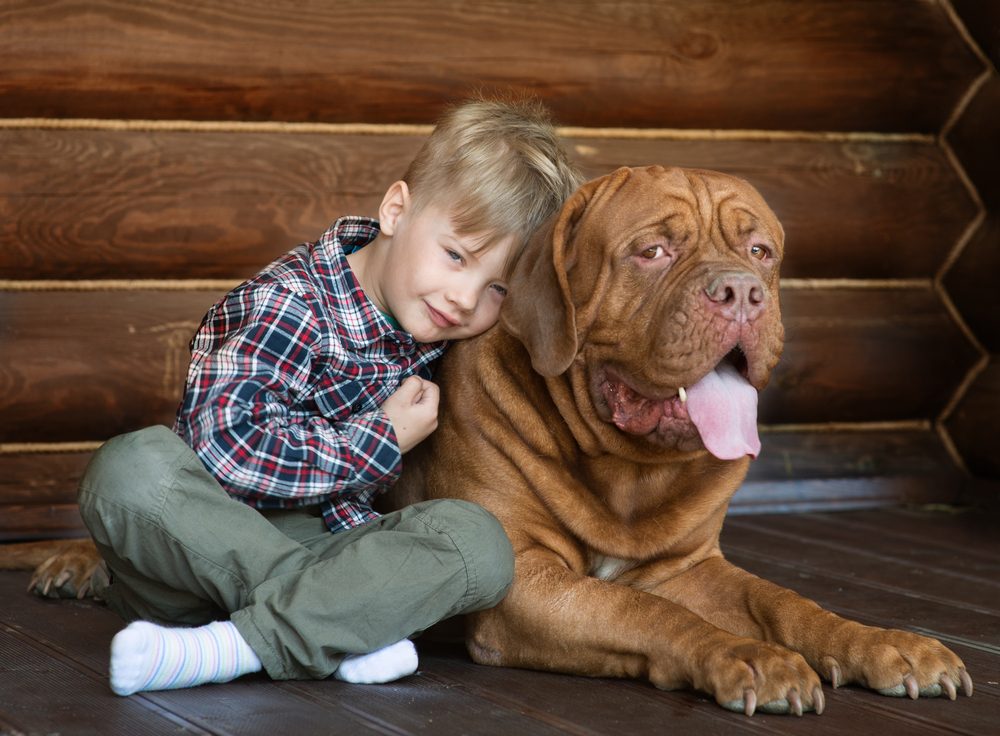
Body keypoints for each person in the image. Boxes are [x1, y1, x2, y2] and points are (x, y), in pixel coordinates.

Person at [76, 96, 583, 696]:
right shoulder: (288, 304)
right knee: (128, 468)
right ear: (397, 209)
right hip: (199, 551)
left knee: (480, 544)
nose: (466, 299)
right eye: (456, 256)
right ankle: (330, 624)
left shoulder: (439, 333)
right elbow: (229, 452)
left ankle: (234, 646)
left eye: (496, 287)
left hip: (337, 549)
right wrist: (381, 439)